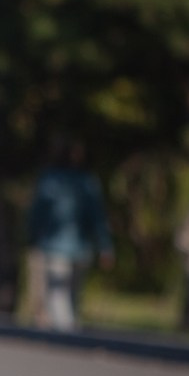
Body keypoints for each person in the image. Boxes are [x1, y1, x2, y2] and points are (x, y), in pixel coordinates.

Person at [26, 136, 114, 334]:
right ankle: (70, 333)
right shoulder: (87, 182)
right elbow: (98, 218)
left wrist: (31, 237)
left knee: (58, 296)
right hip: (81, 248)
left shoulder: (50, 180)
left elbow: (36, 213)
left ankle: (67, 336)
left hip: (55, 247)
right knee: (71, 297)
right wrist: (105, 246)